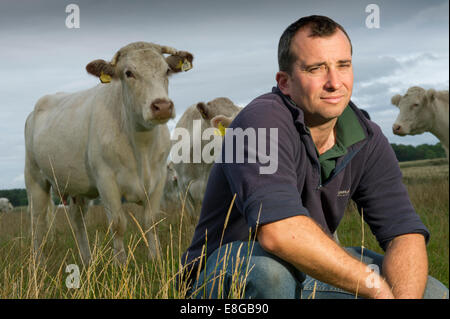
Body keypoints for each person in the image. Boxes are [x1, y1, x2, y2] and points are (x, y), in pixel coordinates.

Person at [180, 15, 449, 299]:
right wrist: (377, 289)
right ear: (284, 82)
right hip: (225, 274)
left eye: (343, 65)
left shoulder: (366, 138)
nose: (334, 82)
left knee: (432, 293)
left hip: (306, 270)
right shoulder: (259, 122)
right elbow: (279, 233)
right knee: (269, 276)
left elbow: (404, 234)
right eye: (316, 69)